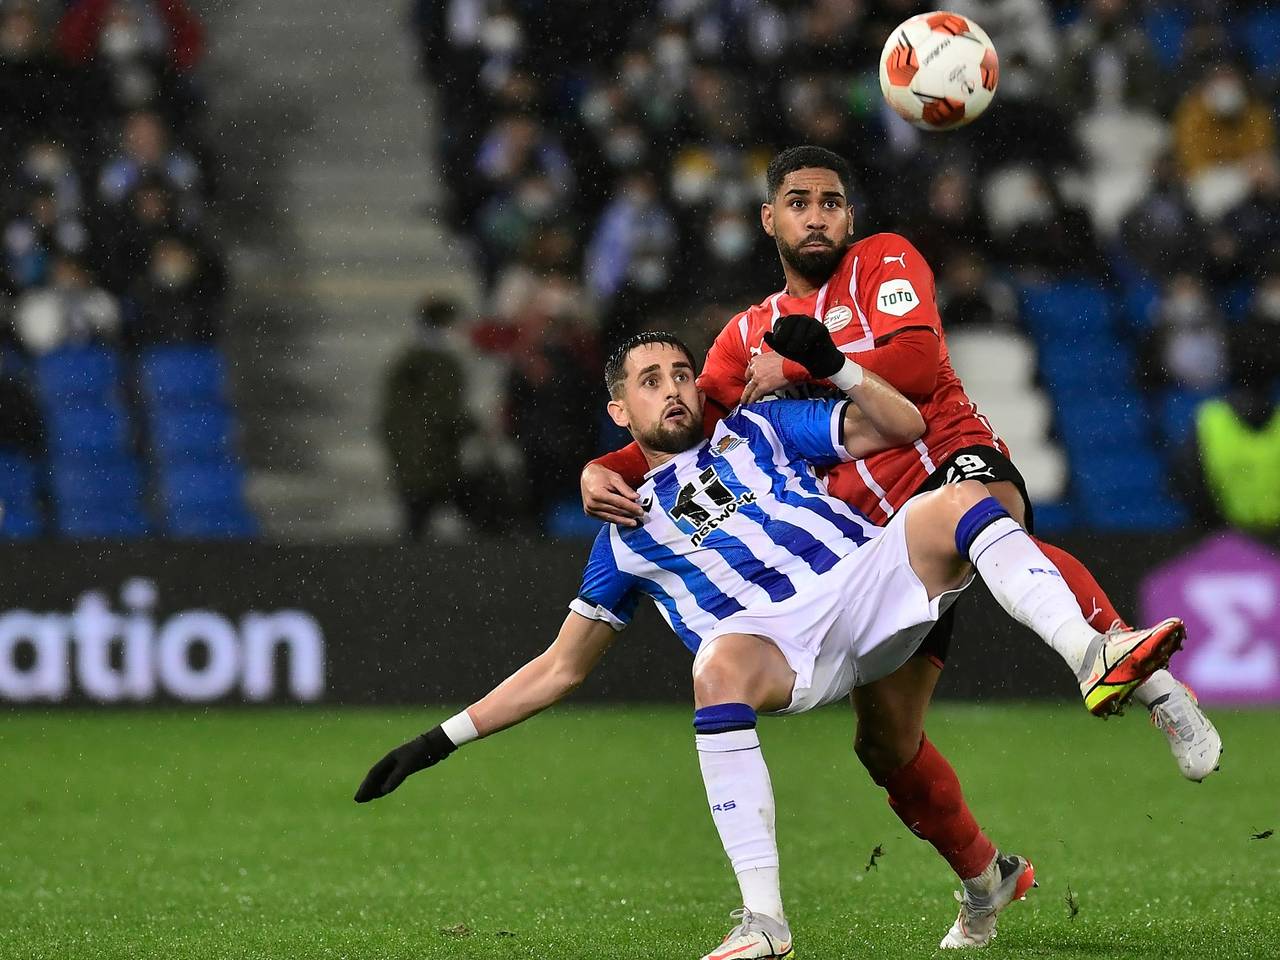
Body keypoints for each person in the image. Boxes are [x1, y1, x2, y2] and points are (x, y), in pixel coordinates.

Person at [354, 331, 1185, 960]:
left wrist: (838, 365)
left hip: (867, 582)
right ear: (620, 412)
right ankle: (765, 922)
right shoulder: (623, 534)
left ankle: (1092, 654)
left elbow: (899, 423)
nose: (673, 390)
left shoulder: (760, 431)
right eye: (650, 382)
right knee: (716, 665)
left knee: (955, 500)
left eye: (681, 374)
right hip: (783, 653)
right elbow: (560, 667)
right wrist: (438, 740)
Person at [579, 147, 1222, 933]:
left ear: (849, 216)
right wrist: (600, 468)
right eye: (798, 202)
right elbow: (686, 423)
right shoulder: (743, 335)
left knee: (982, 509)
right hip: (869, 542)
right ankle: (987, 878)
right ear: (769, 219)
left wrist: (809, 365)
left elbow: (916, 363)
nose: (817, 216)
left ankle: (1136, 674)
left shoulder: (885, 260)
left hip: (946, 451)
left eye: (831, 202)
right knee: (885, 745)